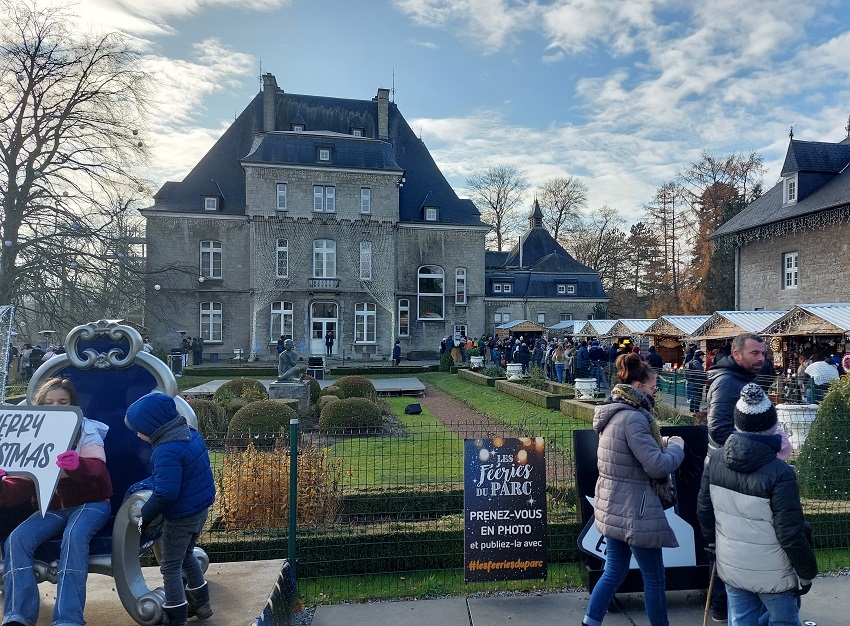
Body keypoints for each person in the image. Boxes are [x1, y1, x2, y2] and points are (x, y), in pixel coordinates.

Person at [698, 383, 817, 626]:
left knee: (741, 621)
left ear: (737, 424)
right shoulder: (780, 472)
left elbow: (704, 509)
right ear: (772, 427)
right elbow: (791, 533)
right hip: (773, 572)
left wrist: (712, 543)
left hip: (732, 563)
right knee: (783, 621)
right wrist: (806, 573)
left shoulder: (716, 460)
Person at [582, 353, 685, 626]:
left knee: (614, 571)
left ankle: (589, 622)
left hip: (613, 503)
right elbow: (658, 467)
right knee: (654, 578)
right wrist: (676, 447)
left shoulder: (615, 413)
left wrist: (657, 441)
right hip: (636, 509)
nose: (656, 393)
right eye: (654, 388)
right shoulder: (636, 419)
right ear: (638, 388)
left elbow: (629, 451)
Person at [0, 378, 113, 626]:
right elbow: (20, 486)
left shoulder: (87, 430)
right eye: (50, 402)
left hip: (91, 503)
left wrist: (79, 466)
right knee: (16, 540)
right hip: (51, 507)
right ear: (40, 406)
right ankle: (17, 615)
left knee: (74, 536)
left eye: (63, 402)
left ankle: (68, 618)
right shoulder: (30, 434)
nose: (57, 407)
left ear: (73, 404)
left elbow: (98, 471)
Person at [125, 392, 216, 626]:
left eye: (138, 428)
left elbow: (166, 492)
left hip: (181, 517)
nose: (136, 433)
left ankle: (176, 616)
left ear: (152, 426)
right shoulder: (191, 435)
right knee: (186, 556)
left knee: (170, 566)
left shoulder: (166, 450)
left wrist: (144, 517)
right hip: (199, 511)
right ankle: (202, 604)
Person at [704, 332, 766, 622]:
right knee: (726, 542)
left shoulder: (738, 379)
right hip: (727, 471)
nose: (761, 358)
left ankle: (731, 605)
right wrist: (757, 447)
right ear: (737, 354)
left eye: (763, 353)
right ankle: (723, 605)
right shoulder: (728, 381)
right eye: (755, 353)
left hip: (733, 467)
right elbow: (718, 430)